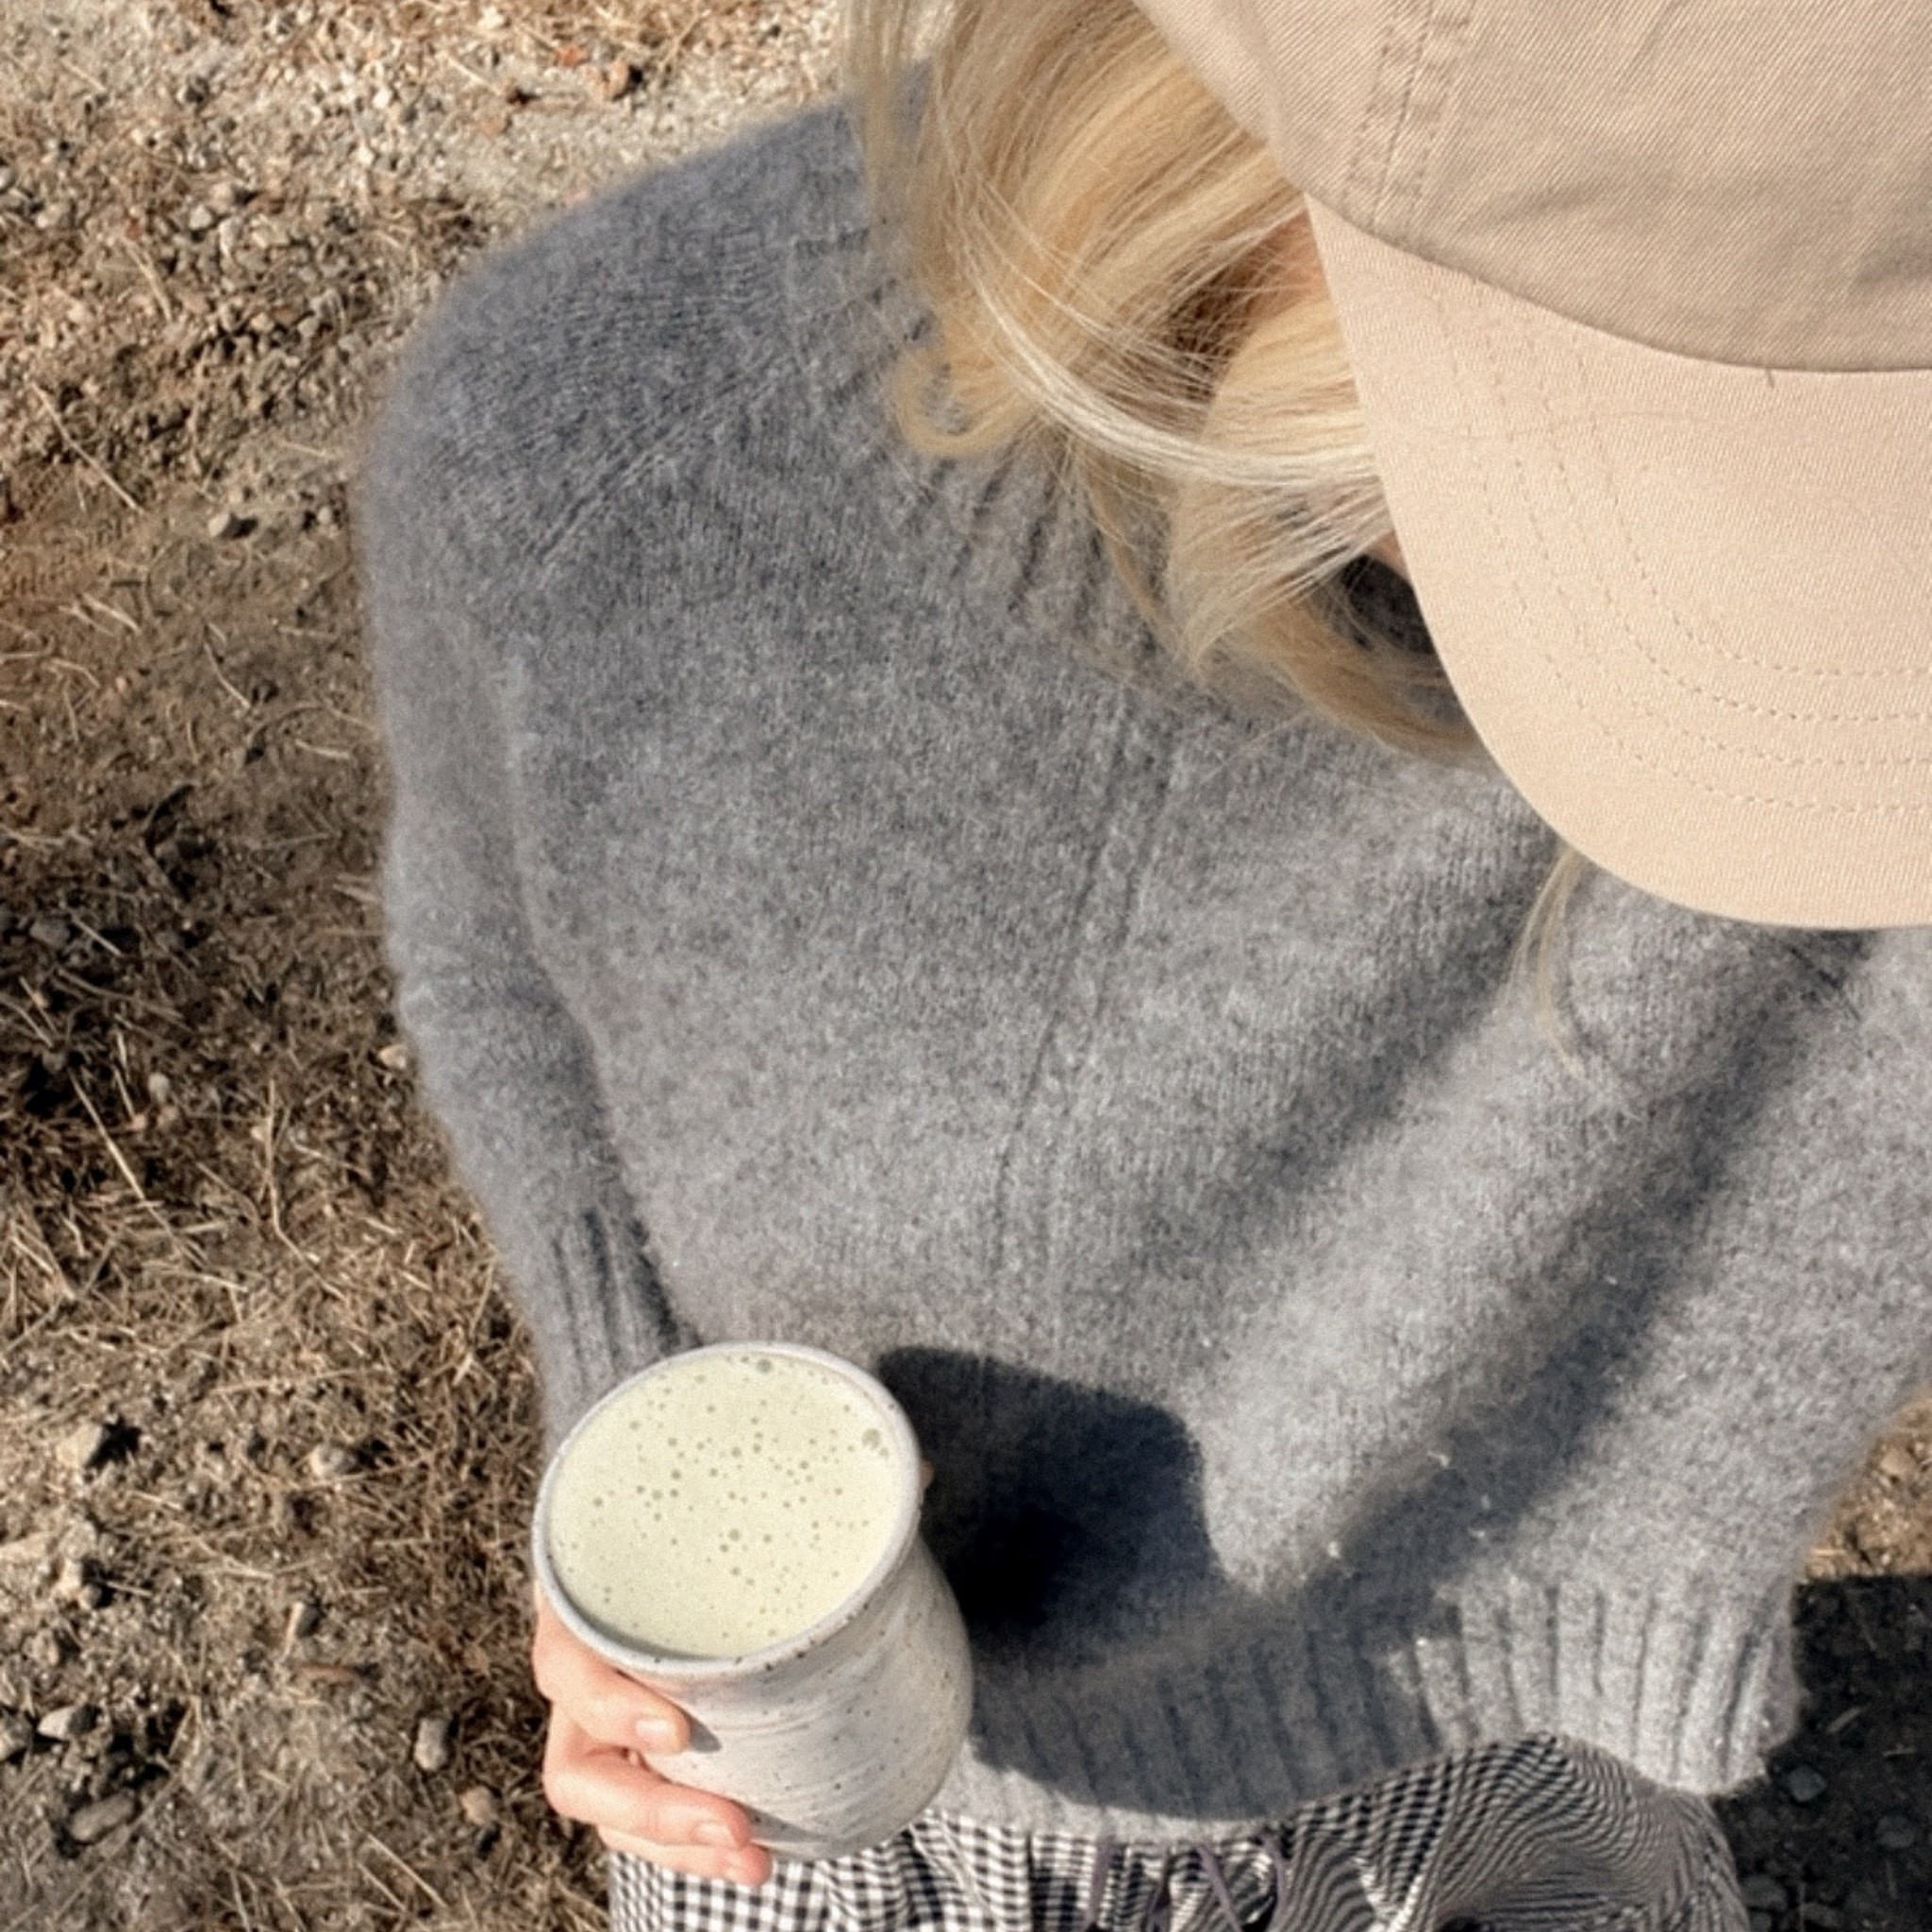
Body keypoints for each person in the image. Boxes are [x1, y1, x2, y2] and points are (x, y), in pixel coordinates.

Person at [354, 0, 1932, 1926]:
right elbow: (491, 924)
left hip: (1527, 1773)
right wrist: (636, 1439)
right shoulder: (600, 460)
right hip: (880, 1807)